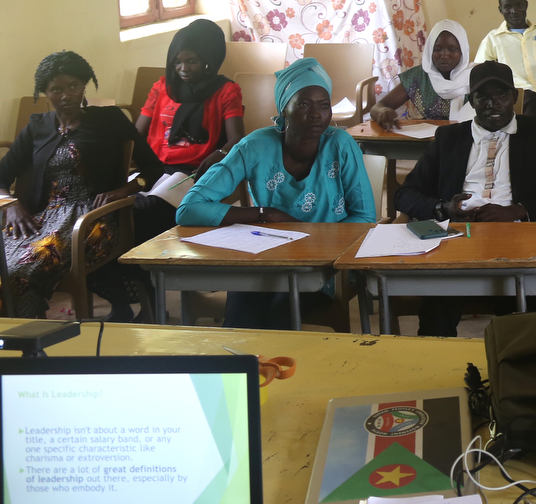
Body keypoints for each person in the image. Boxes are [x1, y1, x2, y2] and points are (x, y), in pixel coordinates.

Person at [177, 57, 376, 330]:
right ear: (284, 110)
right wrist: (264, 214)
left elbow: (365, 219)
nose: (316, 114)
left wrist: (311, 241)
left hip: (325, 264)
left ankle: (276, 368)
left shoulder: (340, 144)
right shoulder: (255, 146)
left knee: (278, 310)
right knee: (242, 309)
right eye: (304, 104)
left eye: (323, 105)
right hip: (268, 258)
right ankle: (244, 368)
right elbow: (189, 208)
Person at [394, 61, 536, 336]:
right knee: (437, 308)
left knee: (521, 310)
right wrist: (445, 208)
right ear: (471, 100)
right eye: (483, 96)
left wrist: (517, 211)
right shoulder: (449, 137)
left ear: (515, 98)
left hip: (518, 237)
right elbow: (405, 194)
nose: (493, 104)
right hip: (458, 235)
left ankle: (515, 363)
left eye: (501, 95)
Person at [0, 52, 164, 321]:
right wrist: (13, 204)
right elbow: (2, 176)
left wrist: (125, 190)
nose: (66, 95)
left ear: (84, 85)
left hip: (92, 220)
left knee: (22, 271)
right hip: (40, 218)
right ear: (45, 93)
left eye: (73, 86)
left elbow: (152, 167)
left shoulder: (109, 120)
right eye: (56, 89)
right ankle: (11, 342)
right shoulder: (37, 127)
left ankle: (30, 338)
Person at [136, 18, 244, 178]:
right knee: (120, 199)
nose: (184, 69)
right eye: (177, 62)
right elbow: (137, 133)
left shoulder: (225, 91)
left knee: (149, 203)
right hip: (156, 165)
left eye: (192, 61)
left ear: (207, 60)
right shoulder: (163, 87)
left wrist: (219, 154)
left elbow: (237, 138)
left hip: (194, 169)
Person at [372, 19, 472, 126]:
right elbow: (377, 107)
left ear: (462, 51)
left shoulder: (475, 76)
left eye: (452, 49)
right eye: (437, 49)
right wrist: (383, 112)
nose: (444, 55)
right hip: (430, 138)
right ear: (430, 51)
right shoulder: (419, 76)